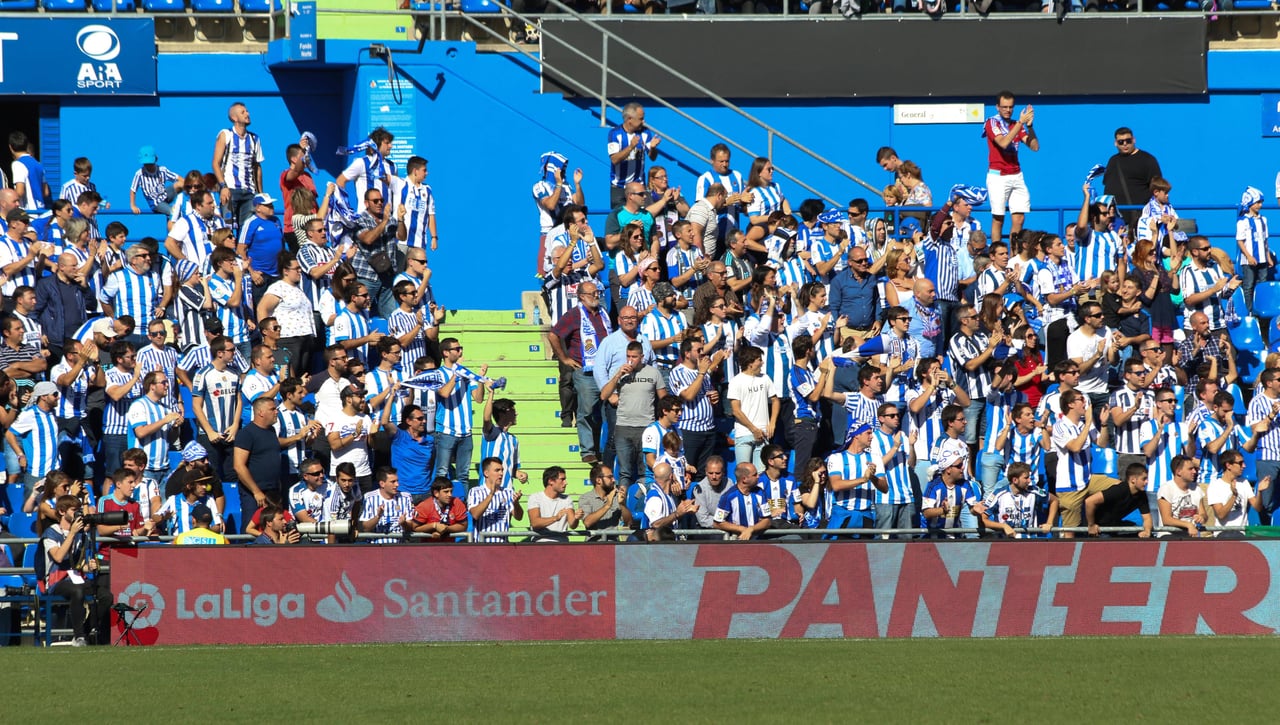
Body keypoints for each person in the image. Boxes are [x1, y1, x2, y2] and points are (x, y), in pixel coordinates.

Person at [549, 279, 611, 464]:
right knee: (587, 411)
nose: (597, 296)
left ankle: (602, 448)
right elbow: (553, 335)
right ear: (582, 296)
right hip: (586, 372)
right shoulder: (574, 315)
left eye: (597, 293)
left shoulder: (603, 314)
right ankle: (587, 450)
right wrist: (565, 359)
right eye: (593, 294)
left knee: (606, 412)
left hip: (606, 372)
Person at [982, 91, 1040, 244]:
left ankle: (1014, 255)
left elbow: (1034, 147)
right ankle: (996, 252)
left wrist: (1030, 126)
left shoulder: (1016, 125)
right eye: (1004, 107)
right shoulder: (991, 123)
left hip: (1016, 174)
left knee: (1019, 218)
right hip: (998, 176)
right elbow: (1003, 143)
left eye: (1010, 107)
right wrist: (1020, 123)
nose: (1008, 110)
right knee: (998, 218)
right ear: (997, 107)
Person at [1052, 389, 1111, 538]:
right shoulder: (1060, 427)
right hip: (1069, 486)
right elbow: (1075, 447)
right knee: (1070, 533)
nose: (1085, 403)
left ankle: (1096, 518)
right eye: (1081, 400)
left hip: (1089, 479)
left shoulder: (1086, 424)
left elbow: (1102, 444)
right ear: (1070, 404)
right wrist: (1088, 422)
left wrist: (1103, 425)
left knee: (1121, 487)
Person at [40, 495, 98, 645]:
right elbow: (58, 557)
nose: (77, 514)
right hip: (56, 580)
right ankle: (79, 636)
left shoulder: (80, 534)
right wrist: (71, 533)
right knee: (77, 590)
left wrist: (88, 566)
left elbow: (78, 565)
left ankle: (84, 632)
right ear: (61, 511)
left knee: (105, 595)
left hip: (76, 577)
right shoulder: (51, 533)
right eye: (74, 511)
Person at [433, 338, 486, 488]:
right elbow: (443, 393)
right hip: (446, 430)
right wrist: (456, 375)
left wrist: (480, 379)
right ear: (445, 353)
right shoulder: (438, 373)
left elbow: (478, 398)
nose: (460, 351)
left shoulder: (467, 373)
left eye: (460, 348)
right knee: (442, 472)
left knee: (463, 474)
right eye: (456, 349)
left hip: (466, 431)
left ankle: (462, 508)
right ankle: (438, 508)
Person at [191, 335, 242, 482]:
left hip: (230, 434)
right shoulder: (203, 374)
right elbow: (196, 406)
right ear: (220, 353)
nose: (234, 352)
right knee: (212, 477)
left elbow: (238, 400)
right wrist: (210, 431)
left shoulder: (234, 373)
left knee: (233, 476)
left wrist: (235, 426)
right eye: (231, 350)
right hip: (210, 435)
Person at [233, 396, 285, 528]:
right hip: (254, 494)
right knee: (251, 529)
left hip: (273, 491)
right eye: (272, 409)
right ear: (260, 412)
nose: (276, 411)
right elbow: (239, 466)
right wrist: (256, 491)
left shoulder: (271, 431)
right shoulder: (246, 433)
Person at [826, 423, 887, 534]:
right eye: (868, 433)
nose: (872, 436)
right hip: (843, 514)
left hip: (866, 515)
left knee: (866, 551)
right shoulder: (836, 458)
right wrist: (863, 479)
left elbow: (885, 488)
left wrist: (872, 477)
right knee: (836, 550)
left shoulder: (875, 458)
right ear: (856, 435)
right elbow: (836, 485)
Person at [212, 102, 264, 227]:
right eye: (243, 112)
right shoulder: (226, 134)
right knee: (227, 228)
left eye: (247, 111)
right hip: (230, 189)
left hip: (249, 191)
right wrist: (223, 186)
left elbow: (257, 168)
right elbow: (215, 163)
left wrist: (260, 194)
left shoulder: (254, 139)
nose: (247, 114)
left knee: (247, 229)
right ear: (234, 118)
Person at [1103, 127, 1162, 229]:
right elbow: (1107, 186)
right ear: (1115, 143)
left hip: (1141, 219)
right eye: (1121, 142)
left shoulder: (1147, 159)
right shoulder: (1113, 160)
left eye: (1128, 141)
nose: (1125, 144)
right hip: (1116, 220)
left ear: (1134, 140)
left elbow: (1158, 187)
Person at [980, 462, 1057, 539]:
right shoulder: (998, 494)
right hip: (1005, 542)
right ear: (1015, 480)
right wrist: (1003, 526)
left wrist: (1049, 523)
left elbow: (1054, 500)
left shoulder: (1034, 491)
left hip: (1030, 542)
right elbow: (983, 520)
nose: (1029, 481)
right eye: (1026, 478)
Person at [607, 102, 660, 208]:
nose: (643, 121)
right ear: (630, 119)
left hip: (639, 186)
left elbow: (652, 157)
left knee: (640, 221)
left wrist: (653, 148)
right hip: (619, 187)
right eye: (641, 118)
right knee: (622, 221)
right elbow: (614, 159)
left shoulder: (645, 133)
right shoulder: (615, 134)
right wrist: (631, 147)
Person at [1207, 450, 1270, 537]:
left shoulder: (1244, 482)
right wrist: (1234, 496)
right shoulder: (1215, 486)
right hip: (1223, 533)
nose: (1244, 466)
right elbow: (1221, 514)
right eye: (1240, 463)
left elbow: (1258, 508)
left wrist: (1259, 491)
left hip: (1241, 533)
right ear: (1228, 465)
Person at [1083, 463, 1153, 538]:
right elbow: (1089, 501)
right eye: (1144, 479)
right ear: (1133, 480)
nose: (1147, 482)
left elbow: (1147, 518)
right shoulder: (1119, 490)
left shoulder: (1141, 495)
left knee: (1147, 536)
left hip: (1114, 524)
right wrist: (1091, 525)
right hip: (1100, 528)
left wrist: (1147, 531)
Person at [922, 451, 981, 539]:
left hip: (955, 537)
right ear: (948, 469)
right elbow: (926, 513)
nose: (963, 467)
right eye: (959, 466)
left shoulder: (965, 485)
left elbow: (972, 509)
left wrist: (976, 510)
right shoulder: (933, 486)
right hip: (932, 538)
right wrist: (942, 510)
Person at [467, 457, 524, 543]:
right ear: (486, 473)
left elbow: (519, 517)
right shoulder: (475, 491)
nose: (501, 473)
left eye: (502, 470)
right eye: (497, 470)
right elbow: (475, 514)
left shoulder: (508, 492)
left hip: (503, 545)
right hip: (481, 544)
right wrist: (491, 494)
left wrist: (516, 503)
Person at [712, 461, 771, 541]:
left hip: (757, 541)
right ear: (744, 479)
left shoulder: (760, 493)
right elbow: (717, 523)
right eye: (754, 475)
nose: (758, 476)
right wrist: (741, 529)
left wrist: (751, 529)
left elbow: (767, 520)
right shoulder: (728, 496)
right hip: (736, 541)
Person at [644, 462, 696, 542]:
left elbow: (671, 518)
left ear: (654, 477)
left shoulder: (669, 495)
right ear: (671, 476)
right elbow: (656, 524)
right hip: (656, 548)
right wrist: (677, 514)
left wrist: (685, 510)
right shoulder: (655, 497)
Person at [1157, 455, 1207, 538]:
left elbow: (1203, 514)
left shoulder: (1197, 489)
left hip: (1191, 536)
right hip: (1169, 537)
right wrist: (1188, 525)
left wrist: (1201, 517)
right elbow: (1166, 520)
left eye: (1194, 468)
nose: (1194, 471)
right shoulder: (1166, 489)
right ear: (1178, 472)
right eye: (1190, 469)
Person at [359, 466, 413, 543]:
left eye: (397, 481)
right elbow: (366, 528)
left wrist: (403, 523)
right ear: (382, 484)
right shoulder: (370, 497)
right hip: (376, 545)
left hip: (399, 545)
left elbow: (410, 527)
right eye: (393, 482)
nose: (397, 484)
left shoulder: (405, 497)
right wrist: (378, 517)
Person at [578, 463, 632, 540]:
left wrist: (622, 504)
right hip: (593, 545)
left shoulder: (616, 496)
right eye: (610, 477)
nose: (613, 480)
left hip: (613, 545)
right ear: (598, 480)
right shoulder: (586, 498)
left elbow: (629, 522)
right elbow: (587, 522)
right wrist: (607, 505)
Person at [407, 477, 467, 543]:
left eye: (451, 491)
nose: (450, 495)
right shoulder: (424, 506)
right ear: (436, 493)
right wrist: (433, 526)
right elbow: (414, 528)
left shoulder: (457, 503)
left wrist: (446, 529)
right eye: (446, 492)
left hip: (450, 547)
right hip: (427, 547)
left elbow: (463, 526)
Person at [527, 466, 578, 543]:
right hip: (540, 544)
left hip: (562, 545)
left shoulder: (567, 499)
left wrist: (577, 518)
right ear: (551, 481)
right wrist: (555, 518)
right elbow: (535, 523)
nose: (566, 483)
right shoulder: (535, 497)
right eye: (562, 479)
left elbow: (572, 525)